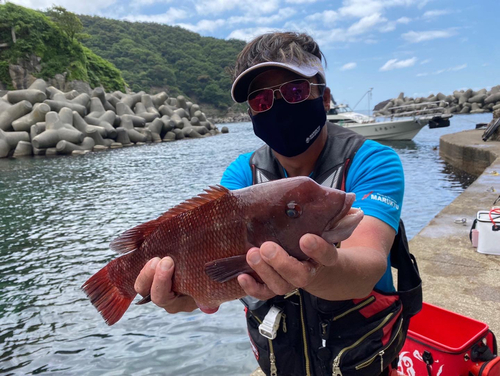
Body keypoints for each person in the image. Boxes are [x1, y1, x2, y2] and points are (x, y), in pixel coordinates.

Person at [134, 32, 421, 376]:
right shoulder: (242, 174)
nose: (278, 107)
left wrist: (313, 269)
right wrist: (186, 295)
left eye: (295, 91)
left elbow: (369, 265)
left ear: (324, 98)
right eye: (260, 101)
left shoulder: (374, 161)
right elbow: (211, 272)